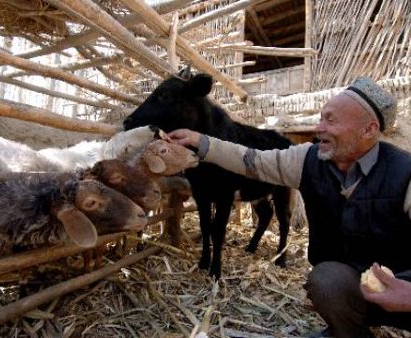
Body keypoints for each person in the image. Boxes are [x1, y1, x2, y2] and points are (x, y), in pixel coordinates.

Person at [167, 77, 411, 338]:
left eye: (331, 120)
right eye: (321, 119)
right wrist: (201, 142)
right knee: (325, 280)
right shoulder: (308, 160)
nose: (319, 128)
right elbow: (253, 161)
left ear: (368, 130)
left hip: (404, 284)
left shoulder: (404, 173)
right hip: (357, 286)